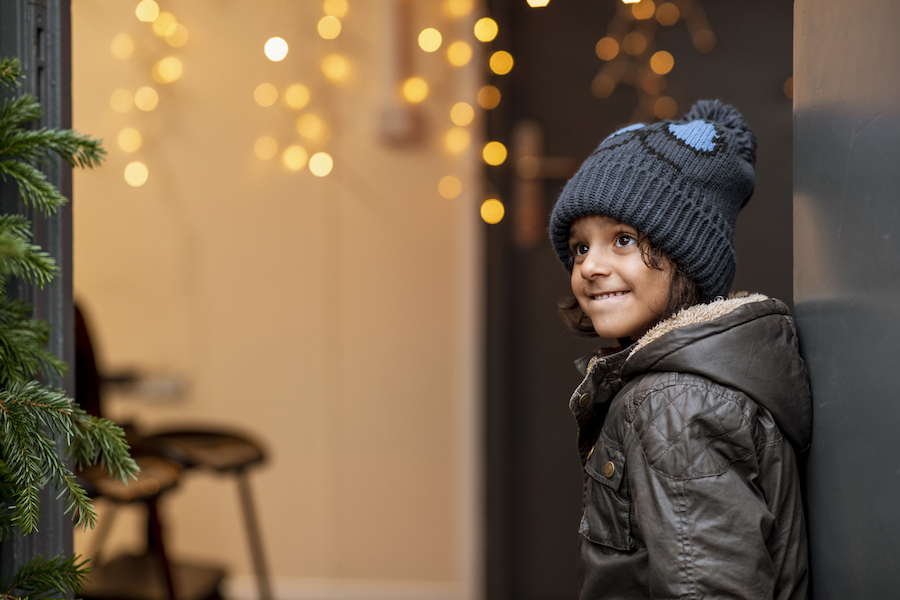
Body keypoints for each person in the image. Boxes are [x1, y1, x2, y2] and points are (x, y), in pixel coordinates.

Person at [548, 99, 812, 599]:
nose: (590, 266)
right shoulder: (682, 383)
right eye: (581, 246)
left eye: (622, 239)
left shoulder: (675, 403)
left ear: (688, 256)